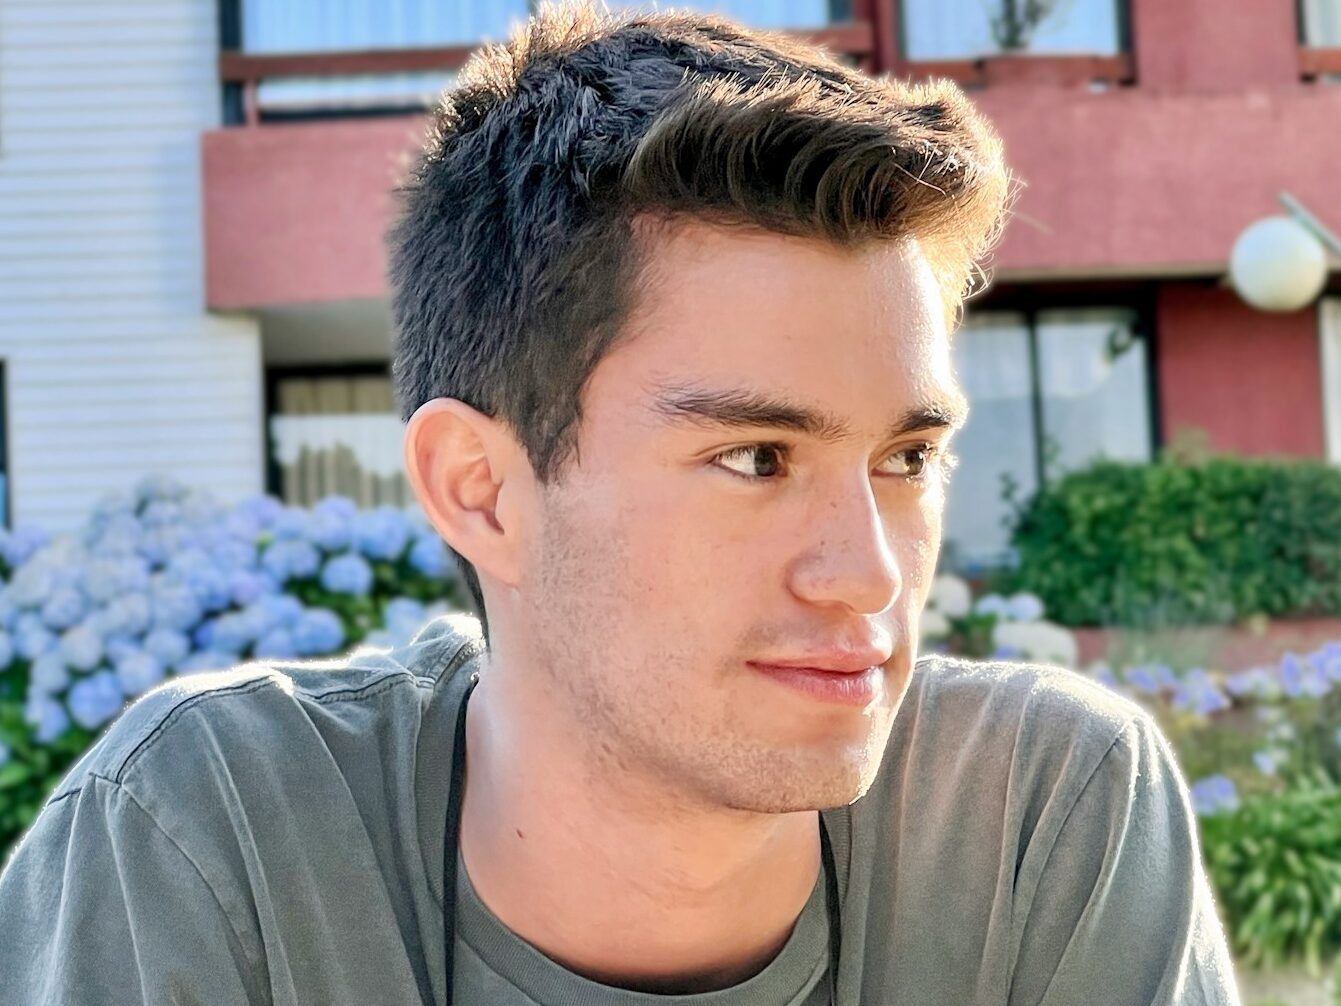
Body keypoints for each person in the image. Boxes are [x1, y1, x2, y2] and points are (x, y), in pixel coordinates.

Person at [0, 4, 1241, 1004]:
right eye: (756, 457)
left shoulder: (1037, 822)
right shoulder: (206, 839)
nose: (867, 574)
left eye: (906, 460)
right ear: (482, 493)